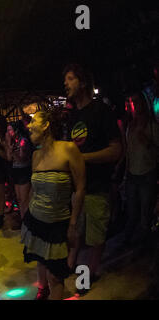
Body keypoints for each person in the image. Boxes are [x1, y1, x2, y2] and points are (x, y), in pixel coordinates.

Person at [64, 64, 122, 295]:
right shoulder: (74, 116)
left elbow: (116, 150)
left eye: (70, 79)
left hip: (98, 186)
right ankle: (70, 264)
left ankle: (90, 273)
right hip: (77, 188)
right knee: (76, 230)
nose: (65, 83)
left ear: (83, 82)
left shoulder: (101, 111)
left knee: (96, 235)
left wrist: (82, 158)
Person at [22, 107, 85, 300]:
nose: (29, 125)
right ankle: (43, 290)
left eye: (33, 121)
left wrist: (73, 225)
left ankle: (50, 289)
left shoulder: (68, 149)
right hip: (36, 220)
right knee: (41, 260)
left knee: (56, 276)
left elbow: (81, 188)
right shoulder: (35, 155)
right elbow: (34, 189)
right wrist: (26, 213)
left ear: (47, 125)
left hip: (58, 223)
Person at [122, 91, 159, 247]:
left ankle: (143, 245)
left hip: (147, 174)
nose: (133, 105)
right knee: (132, 212)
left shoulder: (152, 126)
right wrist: (124, 174)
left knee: (145, 213)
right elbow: (128, 153)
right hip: (132, 174)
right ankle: (129, 242)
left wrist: (148, 142)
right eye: (131, 102)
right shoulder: (130, 126)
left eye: (136, 102)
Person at [5, 120, 33, 220]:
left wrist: (12, 151)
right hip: (16, 171)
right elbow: (9, 158)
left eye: (10, 130)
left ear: (16, 130)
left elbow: (21, 159)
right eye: (7, 130)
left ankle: (27, 221)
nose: (8, 133)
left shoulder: (23, 141)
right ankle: (23, 220)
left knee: (25, 199)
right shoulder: (12, 141)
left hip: (23, 171)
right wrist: (8, 144)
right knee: (20, 199)